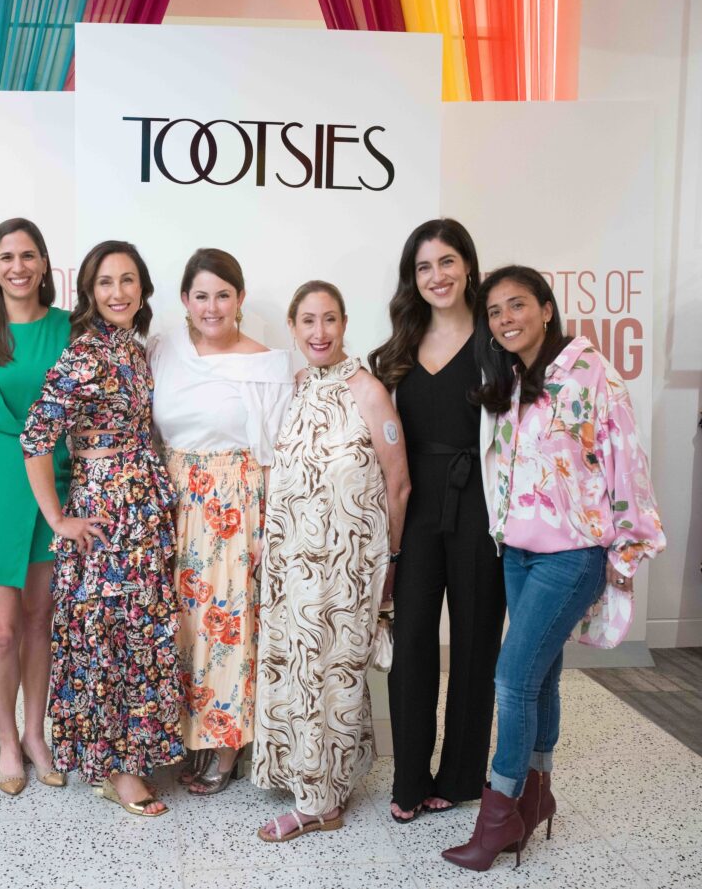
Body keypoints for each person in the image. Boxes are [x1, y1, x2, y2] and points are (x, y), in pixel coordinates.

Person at [443, 266, 665, 871]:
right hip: (517, 550)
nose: (505, 319)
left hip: (573, 554)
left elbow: (626, 463)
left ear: (546, 309)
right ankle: (537, 795)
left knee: (511, 679)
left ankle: (498, 817)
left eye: (517, 306)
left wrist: (625, 551)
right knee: (538, 676)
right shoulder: (511, 378)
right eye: (494, 311)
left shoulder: (592, 374)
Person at [21, 240, 184, 817]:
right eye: (106, 282)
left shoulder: (135, 351)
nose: (118, 292)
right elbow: (36, 438)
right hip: (108, 513)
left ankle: (131, 753)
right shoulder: (85, 354)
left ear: (142, 289)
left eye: (128, 280)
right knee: (110, 638)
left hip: (145, 509)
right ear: (90, 292)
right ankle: (118, 768)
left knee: (141, 635)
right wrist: (57, 518)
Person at [253, 281, 410, 842]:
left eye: (330, 321)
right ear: (294, 328)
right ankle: (310, 775)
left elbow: (399, 483)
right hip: (293, 562)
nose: (319, 333)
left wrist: (390, 562)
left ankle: (322, 802)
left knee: (332, 673)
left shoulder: (367, 390)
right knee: (297, 669)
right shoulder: (296, 387)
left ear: (345, 324)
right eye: (308, 322)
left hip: (347, 567)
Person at [368, 218, 506, 823]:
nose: (437, 276)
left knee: (476, 643)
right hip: (416, 507)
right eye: (424, 267)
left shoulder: (497, 341)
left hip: (482, 506)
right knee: (413, 643)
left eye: (447, 262)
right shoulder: (397, 347)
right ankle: (409, 779)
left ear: (469, 265)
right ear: (412, 278)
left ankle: (461, 775)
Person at [149, 248, 293, 795]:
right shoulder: (163, 351)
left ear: (240, 299)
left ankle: (226, 745)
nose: (212, 307)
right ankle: (187, 733)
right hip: (172, 501)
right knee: (182, 626)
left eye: (223, 295)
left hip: (234, 506)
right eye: (201, 295)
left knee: (227, 627)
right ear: (185, 301)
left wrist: (268, 528)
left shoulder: (267, 365)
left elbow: (278, 452)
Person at [0, 218, 70, 795]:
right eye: (7, 256)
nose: (18, 266)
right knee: (1, 631)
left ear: (45, 265)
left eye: (29, 255)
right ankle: (5, 740)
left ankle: (34, 734)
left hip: (54, 486)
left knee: (38, 622)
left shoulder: (70, 329)